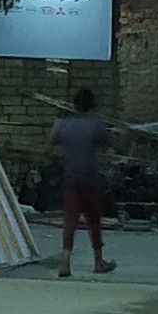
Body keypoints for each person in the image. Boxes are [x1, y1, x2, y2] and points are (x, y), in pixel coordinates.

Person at [48, 87, 116, 276]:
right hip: (90, 179)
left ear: (74, 104)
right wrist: (128, 135)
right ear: (92, 105)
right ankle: (98, 261)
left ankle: (65, 262)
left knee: (70, 220)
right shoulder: (96, 126)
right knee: (94, 221)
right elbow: (116, 145)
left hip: (70, 177)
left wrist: (56, 123)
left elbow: (48, 146)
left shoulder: (64, 125)